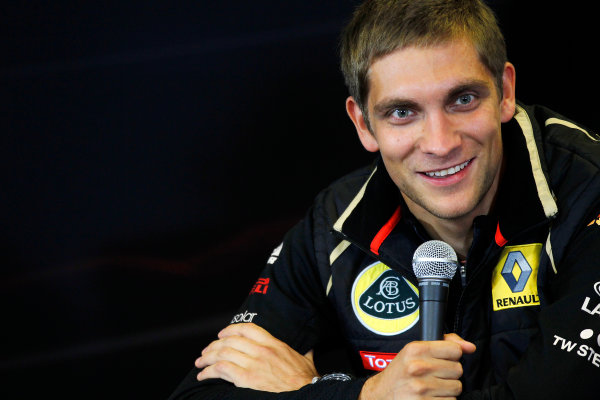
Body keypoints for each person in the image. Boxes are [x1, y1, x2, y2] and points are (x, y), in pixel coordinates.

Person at [168, 0, 600, 398]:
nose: (439, 143)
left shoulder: (589, 193)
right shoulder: (337, 222)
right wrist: (362, 394)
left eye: (463, 99)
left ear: (505, 92)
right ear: (363, 124)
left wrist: (315, 391)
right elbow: (201, 392)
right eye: (402, 112)